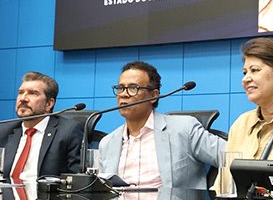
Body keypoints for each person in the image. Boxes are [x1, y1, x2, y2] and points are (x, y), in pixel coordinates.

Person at [95, 61, 224, 189]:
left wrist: (216, 194)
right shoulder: (107, 143)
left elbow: (230, 156)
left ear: (154, 96)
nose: (124, 94)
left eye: (133, 88)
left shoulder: (184, 129)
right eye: (120, 88)